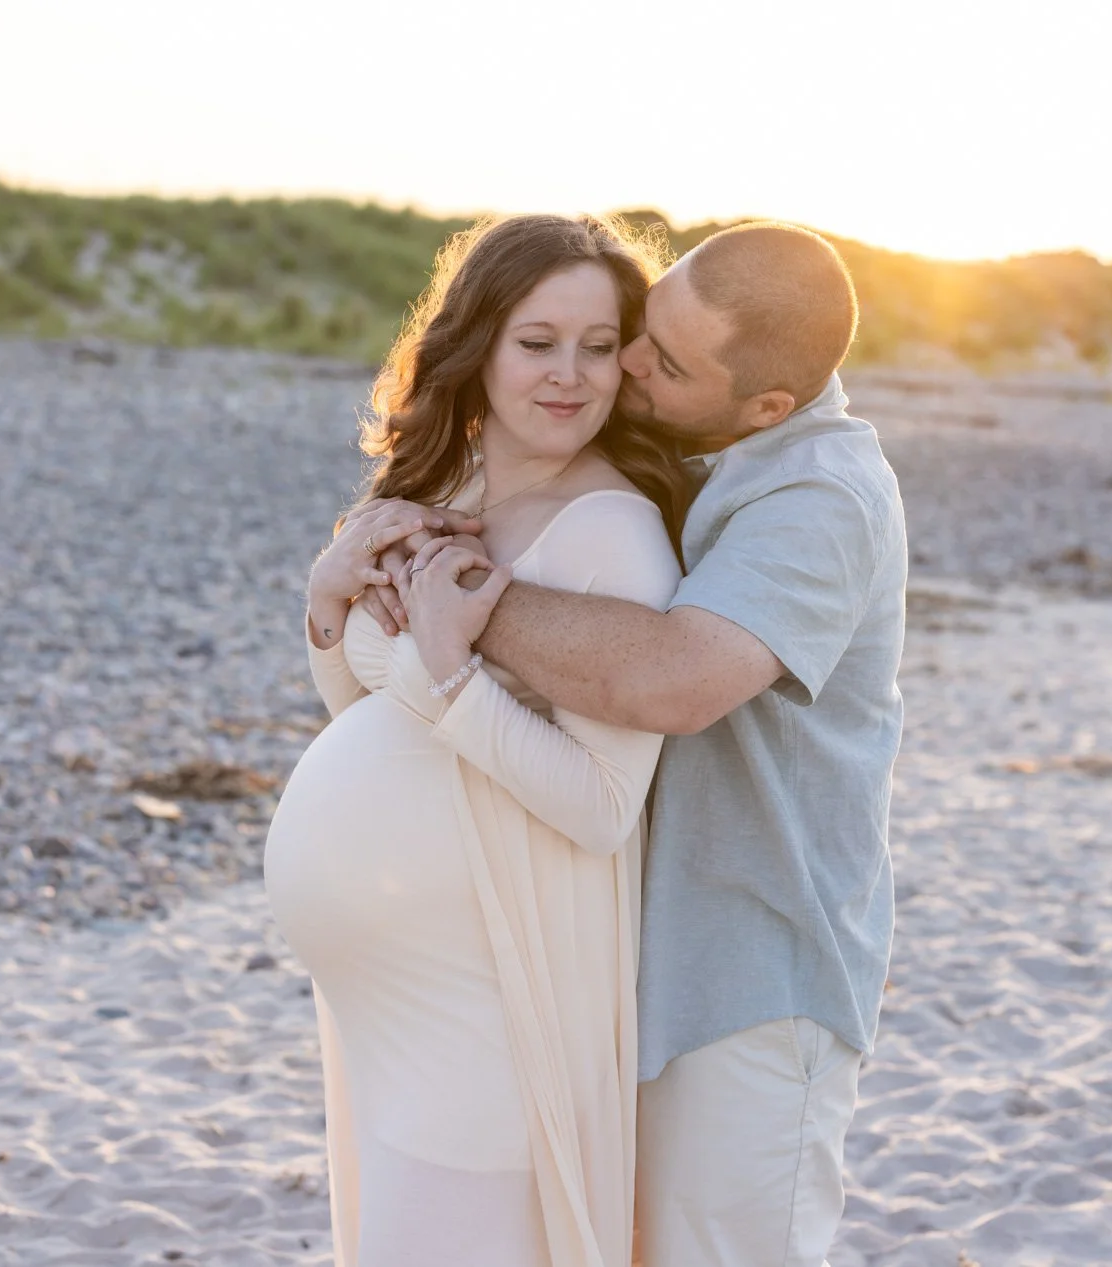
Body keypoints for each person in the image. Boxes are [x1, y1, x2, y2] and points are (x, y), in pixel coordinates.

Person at [377, 221, 908, 1267]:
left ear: (767, 406)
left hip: (752, 983)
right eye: (643, 326)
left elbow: (672, 679)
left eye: (661, 361)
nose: (623, 364)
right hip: (638, 964)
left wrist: (457, 587)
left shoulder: (819, 497)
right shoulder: (700, 451)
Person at [261, 212, 691, 1267]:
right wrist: (328, 605)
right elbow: (370, 721)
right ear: (479, 343)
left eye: (599, 347)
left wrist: (452, 677)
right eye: (538, 341)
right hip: (392, 1002)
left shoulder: (611, 532)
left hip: (498, 991)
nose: (570, 375)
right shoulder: (443, 495)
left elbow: (600, 807)